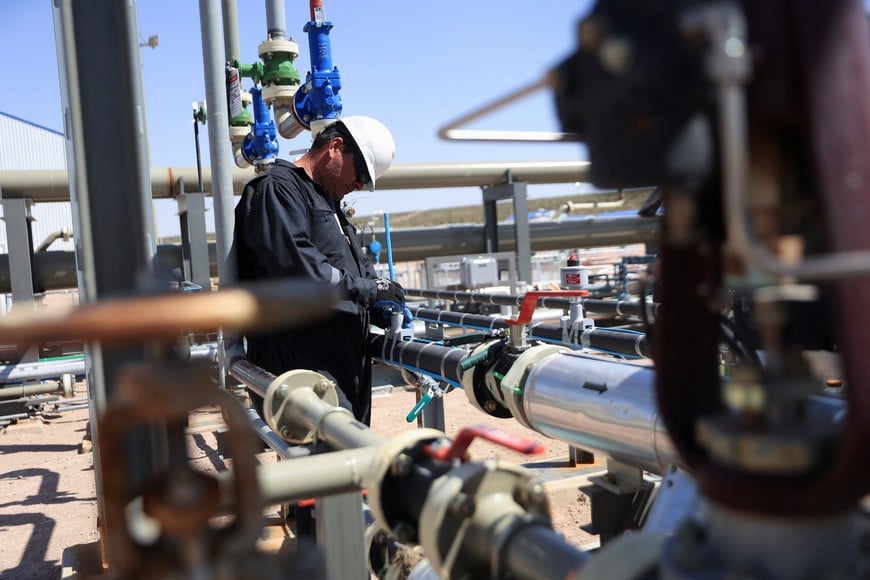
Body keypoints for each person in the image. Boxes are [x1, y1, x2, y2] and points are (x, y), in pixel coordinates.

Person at [234, 116, 405, 427]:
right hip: (301, 371)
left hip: (337, 369)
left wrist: (378, 300)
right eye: (361, 174)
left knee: (352, 450)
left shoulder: (328, 200)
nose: (360, 185)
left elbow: (352, 264)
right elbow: (302, 272)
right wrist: (369, 291)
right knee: (327, 454)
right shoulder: (277, 190)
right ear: (335, 148)